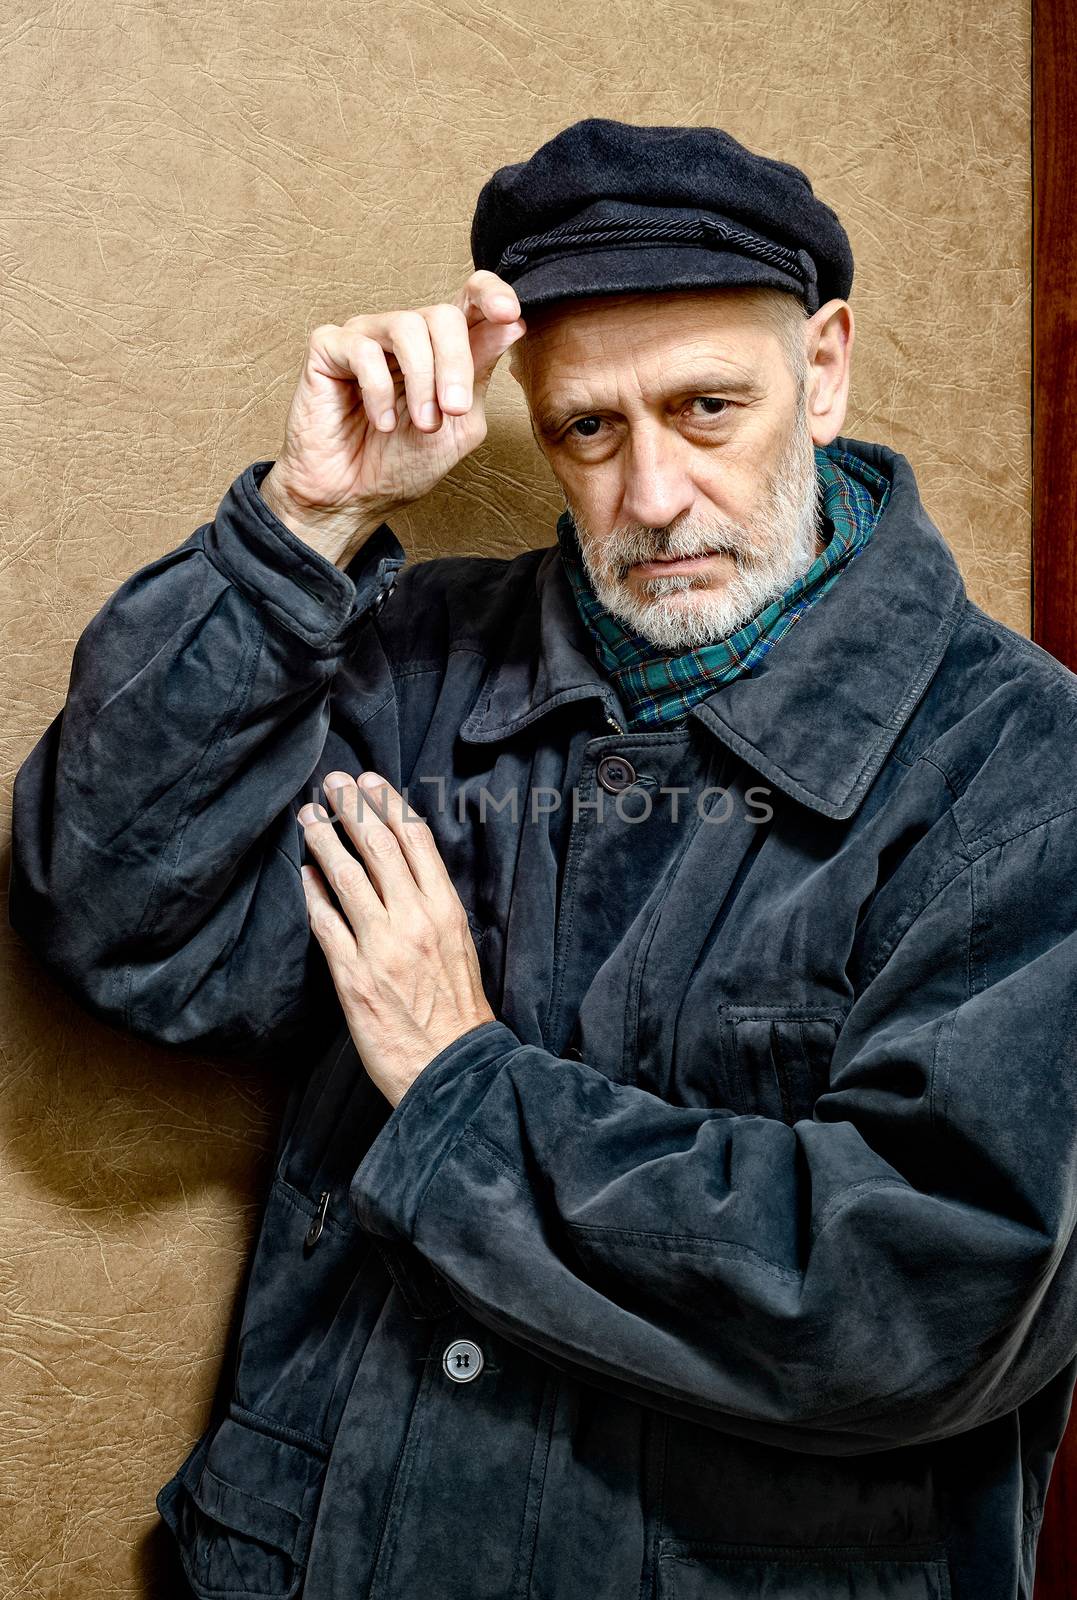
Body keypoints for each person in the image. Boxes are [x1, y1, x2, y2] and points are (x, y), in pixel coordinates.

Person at [8, 118, 1077, 1600]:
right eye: (588, 428)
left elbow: (921, 1297)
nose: (649, 497)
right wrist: (308, 523)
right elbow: (123, 922)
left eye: (709, 409)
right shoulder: (417, 665)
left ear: (822, 370)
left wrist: (458, 1083)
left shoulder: (1022, 768)